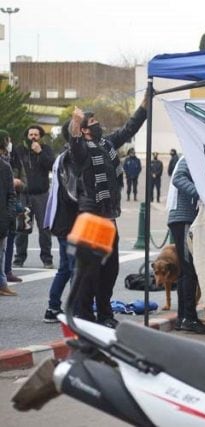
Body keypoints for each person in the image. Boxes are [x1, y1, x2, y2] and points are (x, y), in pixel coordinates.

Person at [67, 93, 148, 328]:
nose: (97, 125)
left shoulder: (106, 144)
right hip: (92, 214)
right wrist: (75, 121)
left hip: (108, 214)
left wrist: (143, 107)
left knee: (110, 269)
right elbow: (73, 142)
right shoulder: (81, 151)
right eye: (92, 123)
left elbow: (128, 129)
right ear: (84, 130)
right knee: (91, 271)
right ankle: (84, 314)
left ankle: (104, 313)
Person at [167, 157, 205, 334]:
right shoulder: (190, 156)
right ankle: (188, 318)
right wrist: (200, 194)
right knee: (189, 270)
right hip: (183, 217)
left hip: (187, 218)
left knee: (187, 270)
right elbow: (178, 178)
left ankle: (182, 317)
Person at [42, 123, 79, 322]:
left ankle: (53, 308)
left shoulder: (63, 156)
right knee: (74, 267)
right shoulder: (70, 159)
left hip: (62, 221)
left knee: (66, 267)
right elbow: (72, 195)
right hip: (69, 224)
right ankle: (75, 311)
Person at [13, 125, 55, 269]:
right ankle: (19, 258)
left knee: (44, 229)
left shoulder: (46, 149)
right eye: (31, 134)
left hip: (41, 195)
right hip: (24, 195)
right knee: (22, 228)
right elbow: (13, 168)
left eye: (36, 135)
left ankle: (47, 259)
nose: (33, 137)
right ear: (27, 135)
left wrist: (40, 152)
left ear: (40, 136)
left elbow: (52, 166)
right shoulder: (19, 150)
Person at [0, 130, 25, 284]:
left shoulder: (12, 159)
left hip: (10, 206)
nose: (9, 143)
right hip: (5, 207)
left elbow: (23, 181)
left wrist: (19, 183)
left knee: (8, 243)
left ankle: (6, 273)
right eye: (7, 140)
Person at [0, 131, 18, 296]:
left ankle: (2, 283)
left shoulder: (4, 166)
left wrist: (9, 215)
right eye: (8, 141)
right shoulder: (5, 166)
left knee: (1, 251)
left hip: (2, 216)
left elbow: (10, 194)